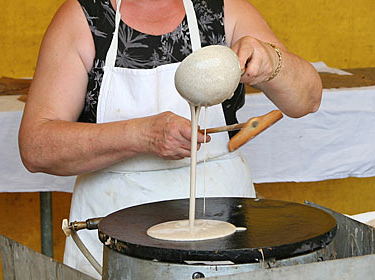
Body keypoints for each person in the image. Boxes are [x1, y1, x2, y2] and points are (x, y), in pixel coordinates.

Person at [18, 0, 322, 277]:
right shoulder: (85, 17)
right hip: (114, 229)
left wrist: (272, 62)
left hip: (226, 229)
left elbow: (307, 100)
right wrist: (140, 136)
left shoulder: (223, 9)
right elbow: (36, 146)